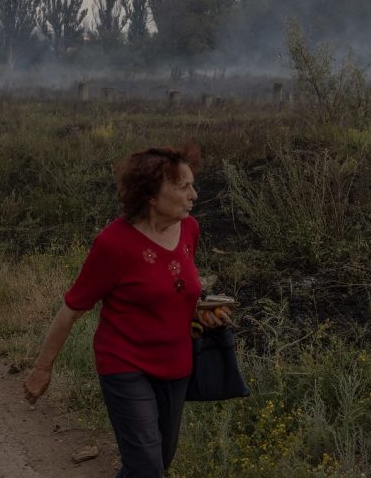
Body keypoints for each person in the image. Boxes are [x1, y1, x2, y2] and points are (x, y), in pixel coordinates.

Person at [23, 145, 231, 478]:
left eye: (192, 184)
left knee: (156, 462)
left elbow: (176, 291)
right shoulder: (114, 244)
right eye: (183, 187)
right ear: (151, 195)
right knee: (147, 467)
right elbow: (71, 311)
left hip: (177, 367)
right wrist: (42, 369)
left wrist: (202, 314)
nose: (194, 194)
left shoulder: (190, 229)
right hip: (125, 365)